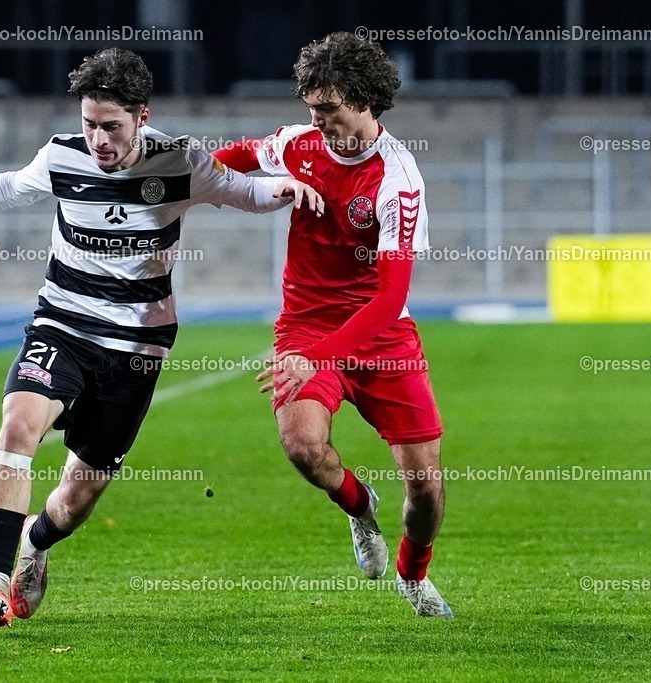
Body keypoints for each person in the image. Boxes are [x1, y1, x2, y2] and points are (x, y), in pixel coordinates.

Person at [0, 48, 323, 630]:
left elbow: (243, 191)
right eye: (90, 123)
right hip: (61, 323)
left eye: (111, 126)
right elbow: (10, 188)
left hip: (136, 348)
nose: (98, 139)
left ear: (142, 117)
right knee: (17, 425)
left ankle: (35, 545)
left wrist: (286, 187)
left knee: (76, 495)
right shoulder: (61, 155)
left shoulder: (180, 160)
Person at [213, 32, 451, 617]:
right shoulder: (297, 145)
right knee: (302, 446)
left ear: (366, 101)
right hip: (305, 328)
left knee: (425, 491)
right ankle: (358, 504)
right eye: (311, 108)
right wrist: (265, 188)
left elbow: (391, 296)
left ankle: (413, 574)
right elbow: (222, 162)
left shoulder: (398, 179)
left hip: (382, 334)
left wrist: (321, 358)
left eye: (329, 110)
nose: (315, 121)